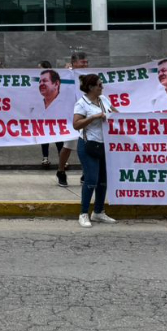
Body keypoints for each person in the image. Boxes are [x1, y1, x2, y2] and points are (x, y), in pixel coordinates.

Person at [72, 73, 117, 228]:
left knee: (103, 181)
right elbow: (76, 124)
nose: (102, 87)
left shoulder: (103, 100)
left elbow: (116, 114)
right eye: (99, 85)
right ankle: (83, 213)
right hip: (88, 145)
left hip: (104, 144)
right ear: (91, 87)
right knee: (91, 179)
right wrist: (94, 117)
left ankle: (98, 212)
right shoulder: (82, 103)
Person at [56, 51, 90, 186]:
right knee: (68, 146)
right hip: (71, 116)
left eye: (87, 62)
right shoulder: (67, 74)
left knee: (87, 146)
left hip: (87, 115)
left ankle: (85, 172)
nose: (86, 65)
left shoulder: (90, 76)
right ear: (74, 63)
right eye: (83, 62)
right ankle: (61, 171)